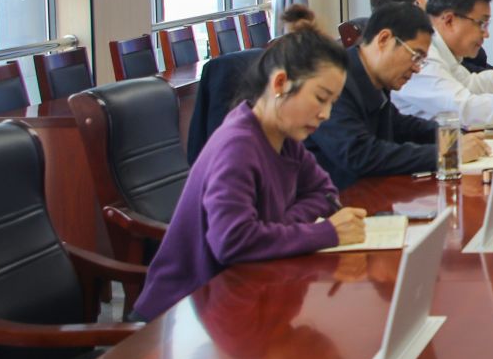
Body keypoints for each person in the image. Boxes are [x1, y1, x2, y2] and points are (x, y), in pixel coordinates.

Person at [133, 30, 363, 320]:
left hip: (239, 290)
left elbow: (325, 194)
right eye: (321, 98)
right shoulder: (238, 145)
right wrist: (323, 233)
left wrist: (274, 225)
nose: (326, 114)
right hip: (184, 312)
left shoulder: (284, 137)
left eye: (333, 103)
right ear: (280, 83)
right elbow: (232, 241)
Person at [306, 1, 483, 189]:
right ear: (384, 39)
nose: (417, 68)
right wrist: (446, 152)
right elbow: (359, 154)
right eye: (415, 56)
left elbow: (400, 126)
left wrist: (453, 136)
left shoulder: (373, 79)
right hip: (335, 199)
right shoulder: (335, 78)